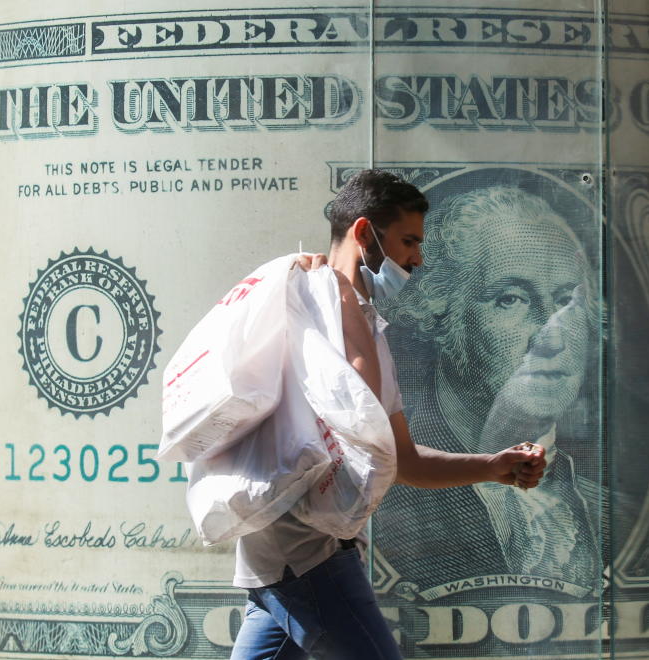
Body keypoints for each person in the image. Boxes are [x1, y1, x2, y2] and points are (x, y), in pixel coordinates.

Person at [229, 171, 547, 660]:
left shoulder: (362, 321)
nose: (417, 258)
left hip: (288, 557)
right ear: (363, 233)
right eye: (408, 241)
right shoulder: (312, 309)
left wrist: (493, 466)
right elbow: (365, 426)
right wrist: (343, 296)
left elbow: (402, 460)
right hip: (308, 552)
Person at [376, 184, 606, 596]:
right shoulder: (389, 505)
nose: (551, 338)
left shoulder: (610, 512)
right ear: (443, 313)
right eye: (511, 298)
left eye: (566, 301)